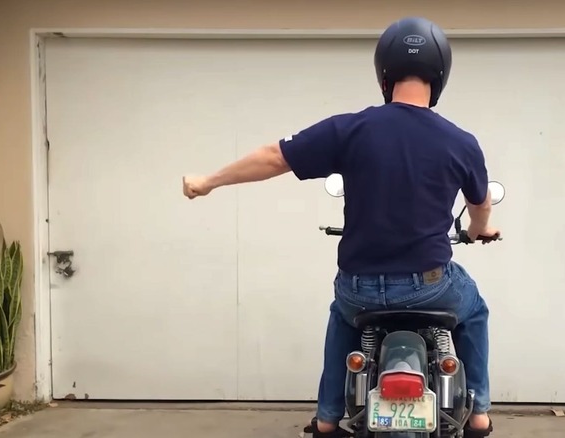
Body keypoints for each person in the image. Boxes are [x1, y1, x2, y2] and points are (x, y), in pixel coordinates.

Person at [182, 16, 498, 438]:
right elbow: (480, 207)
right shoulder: (461, 142)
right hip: (430, 284)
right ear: (440, 75)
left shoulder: (351, 129)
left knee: (341, 318)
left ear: (383, 73)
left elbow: (274, 156)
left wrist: (208, 181)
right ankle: (478, 415)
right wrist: (481, 230)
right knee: (474, 310)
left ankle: (328, 420)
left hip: (359, 288)